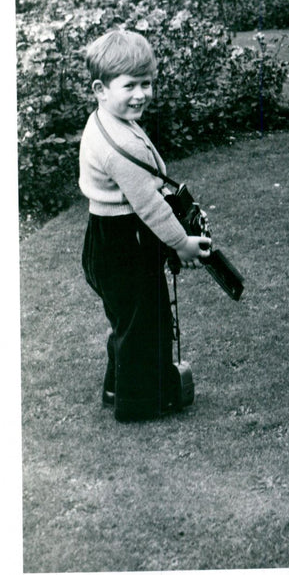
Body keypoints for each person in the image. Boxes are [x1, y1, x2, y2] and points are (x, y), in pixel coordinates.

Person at [79, 29, 210, 422]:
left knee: (128, 317)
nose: (141, 94)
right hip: (126, 241)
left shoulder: (105, 119)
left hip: (104, 237)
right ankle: (138, 404)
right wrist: (182, 242)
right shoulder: (125, 146)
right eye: (130, 85)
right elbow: (150, 208)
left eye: (147, 83)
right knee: (144, 323)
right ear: (101, 89)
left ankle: (116, 385)